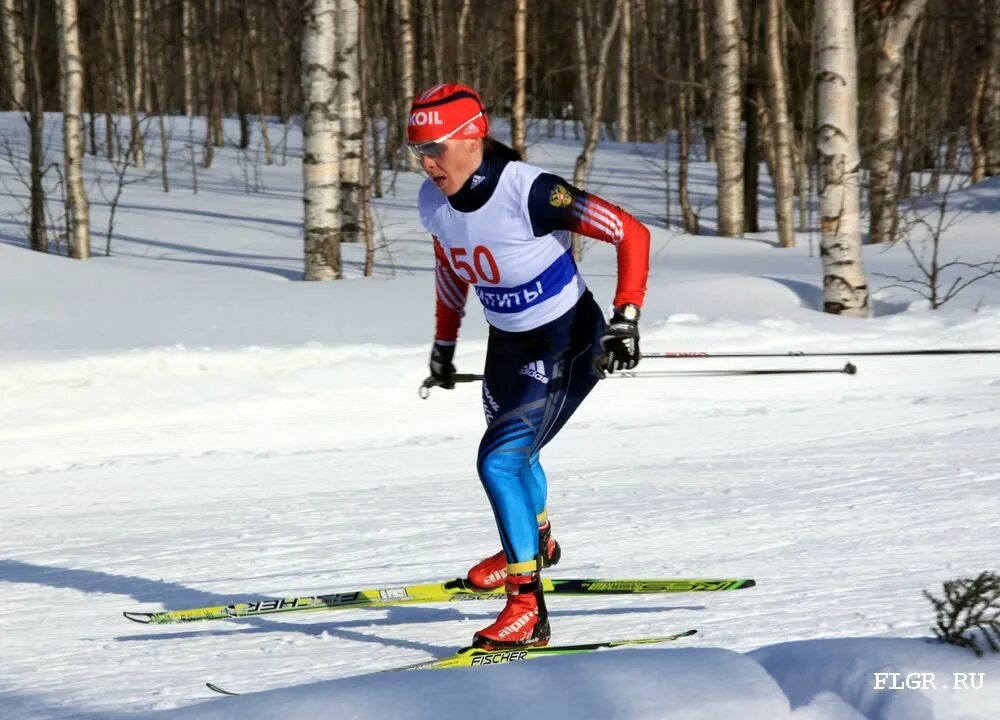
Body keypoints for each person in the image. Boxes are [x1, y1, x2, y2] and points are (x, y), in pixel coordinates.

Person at [410, 83, 650, 650]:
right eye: (416, 148)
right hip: (508, 345)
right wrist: (445, 345)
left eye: (436, 147)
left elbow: (630, 232)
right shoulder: (433, 201)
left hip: (568, 340)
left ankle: (526, 609)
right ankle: (535, 543)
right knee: (519, 454)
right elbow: (453, 268)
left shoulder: (530, 190)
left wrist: (626, 319)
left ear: (473, 137)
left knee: (499, 461)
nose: (425, 162)